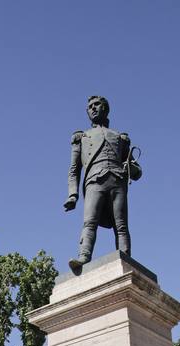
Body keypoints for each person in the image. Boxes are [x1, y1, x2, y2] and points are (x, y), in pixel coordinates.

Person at [64, 95, 142, 275]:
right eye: (90, 106)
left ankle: (126, 257)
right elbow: (74, 169)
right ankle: (83, 257)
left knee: (121, 225)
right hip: (94, 182)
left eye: (97, 105)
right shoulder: (81, 138)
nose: (93, 108)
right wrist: (72, 194)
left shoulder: (120, 138)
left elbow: (137, 172)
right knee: (89, 222)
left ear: (105, 108)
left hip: (117, 181)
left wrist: (130, 167)